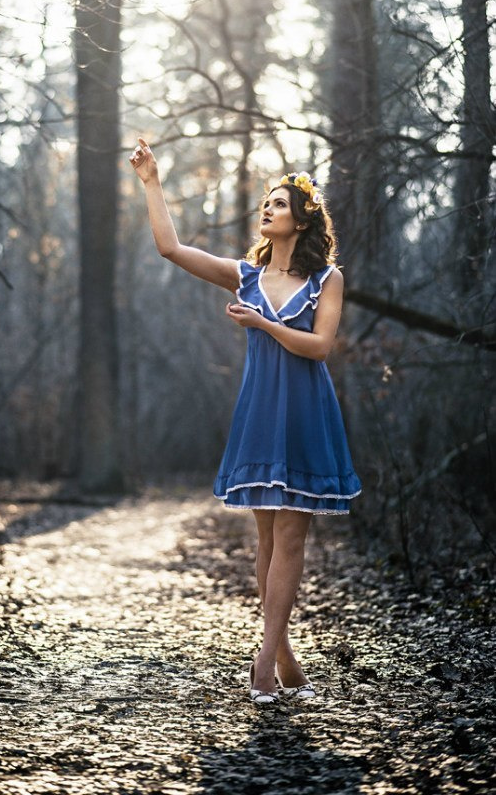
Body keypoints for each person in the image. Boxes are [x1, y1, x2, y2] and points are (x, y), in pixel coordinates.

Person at [129, 136, 362, 709]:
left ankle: (263, 660)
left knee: (291, 534)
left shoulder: (326, 280)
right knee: (264, 535)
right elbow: (171, 248)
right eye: (267, 203)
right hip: (260, 409)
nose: (268, 209)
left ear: (303, 220)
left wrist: (263, 324)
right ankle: (284, 656)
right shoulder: (245, 275)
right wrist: (152, 182)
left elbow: (320, 347)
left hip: (307, 412)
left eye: (280, 204)